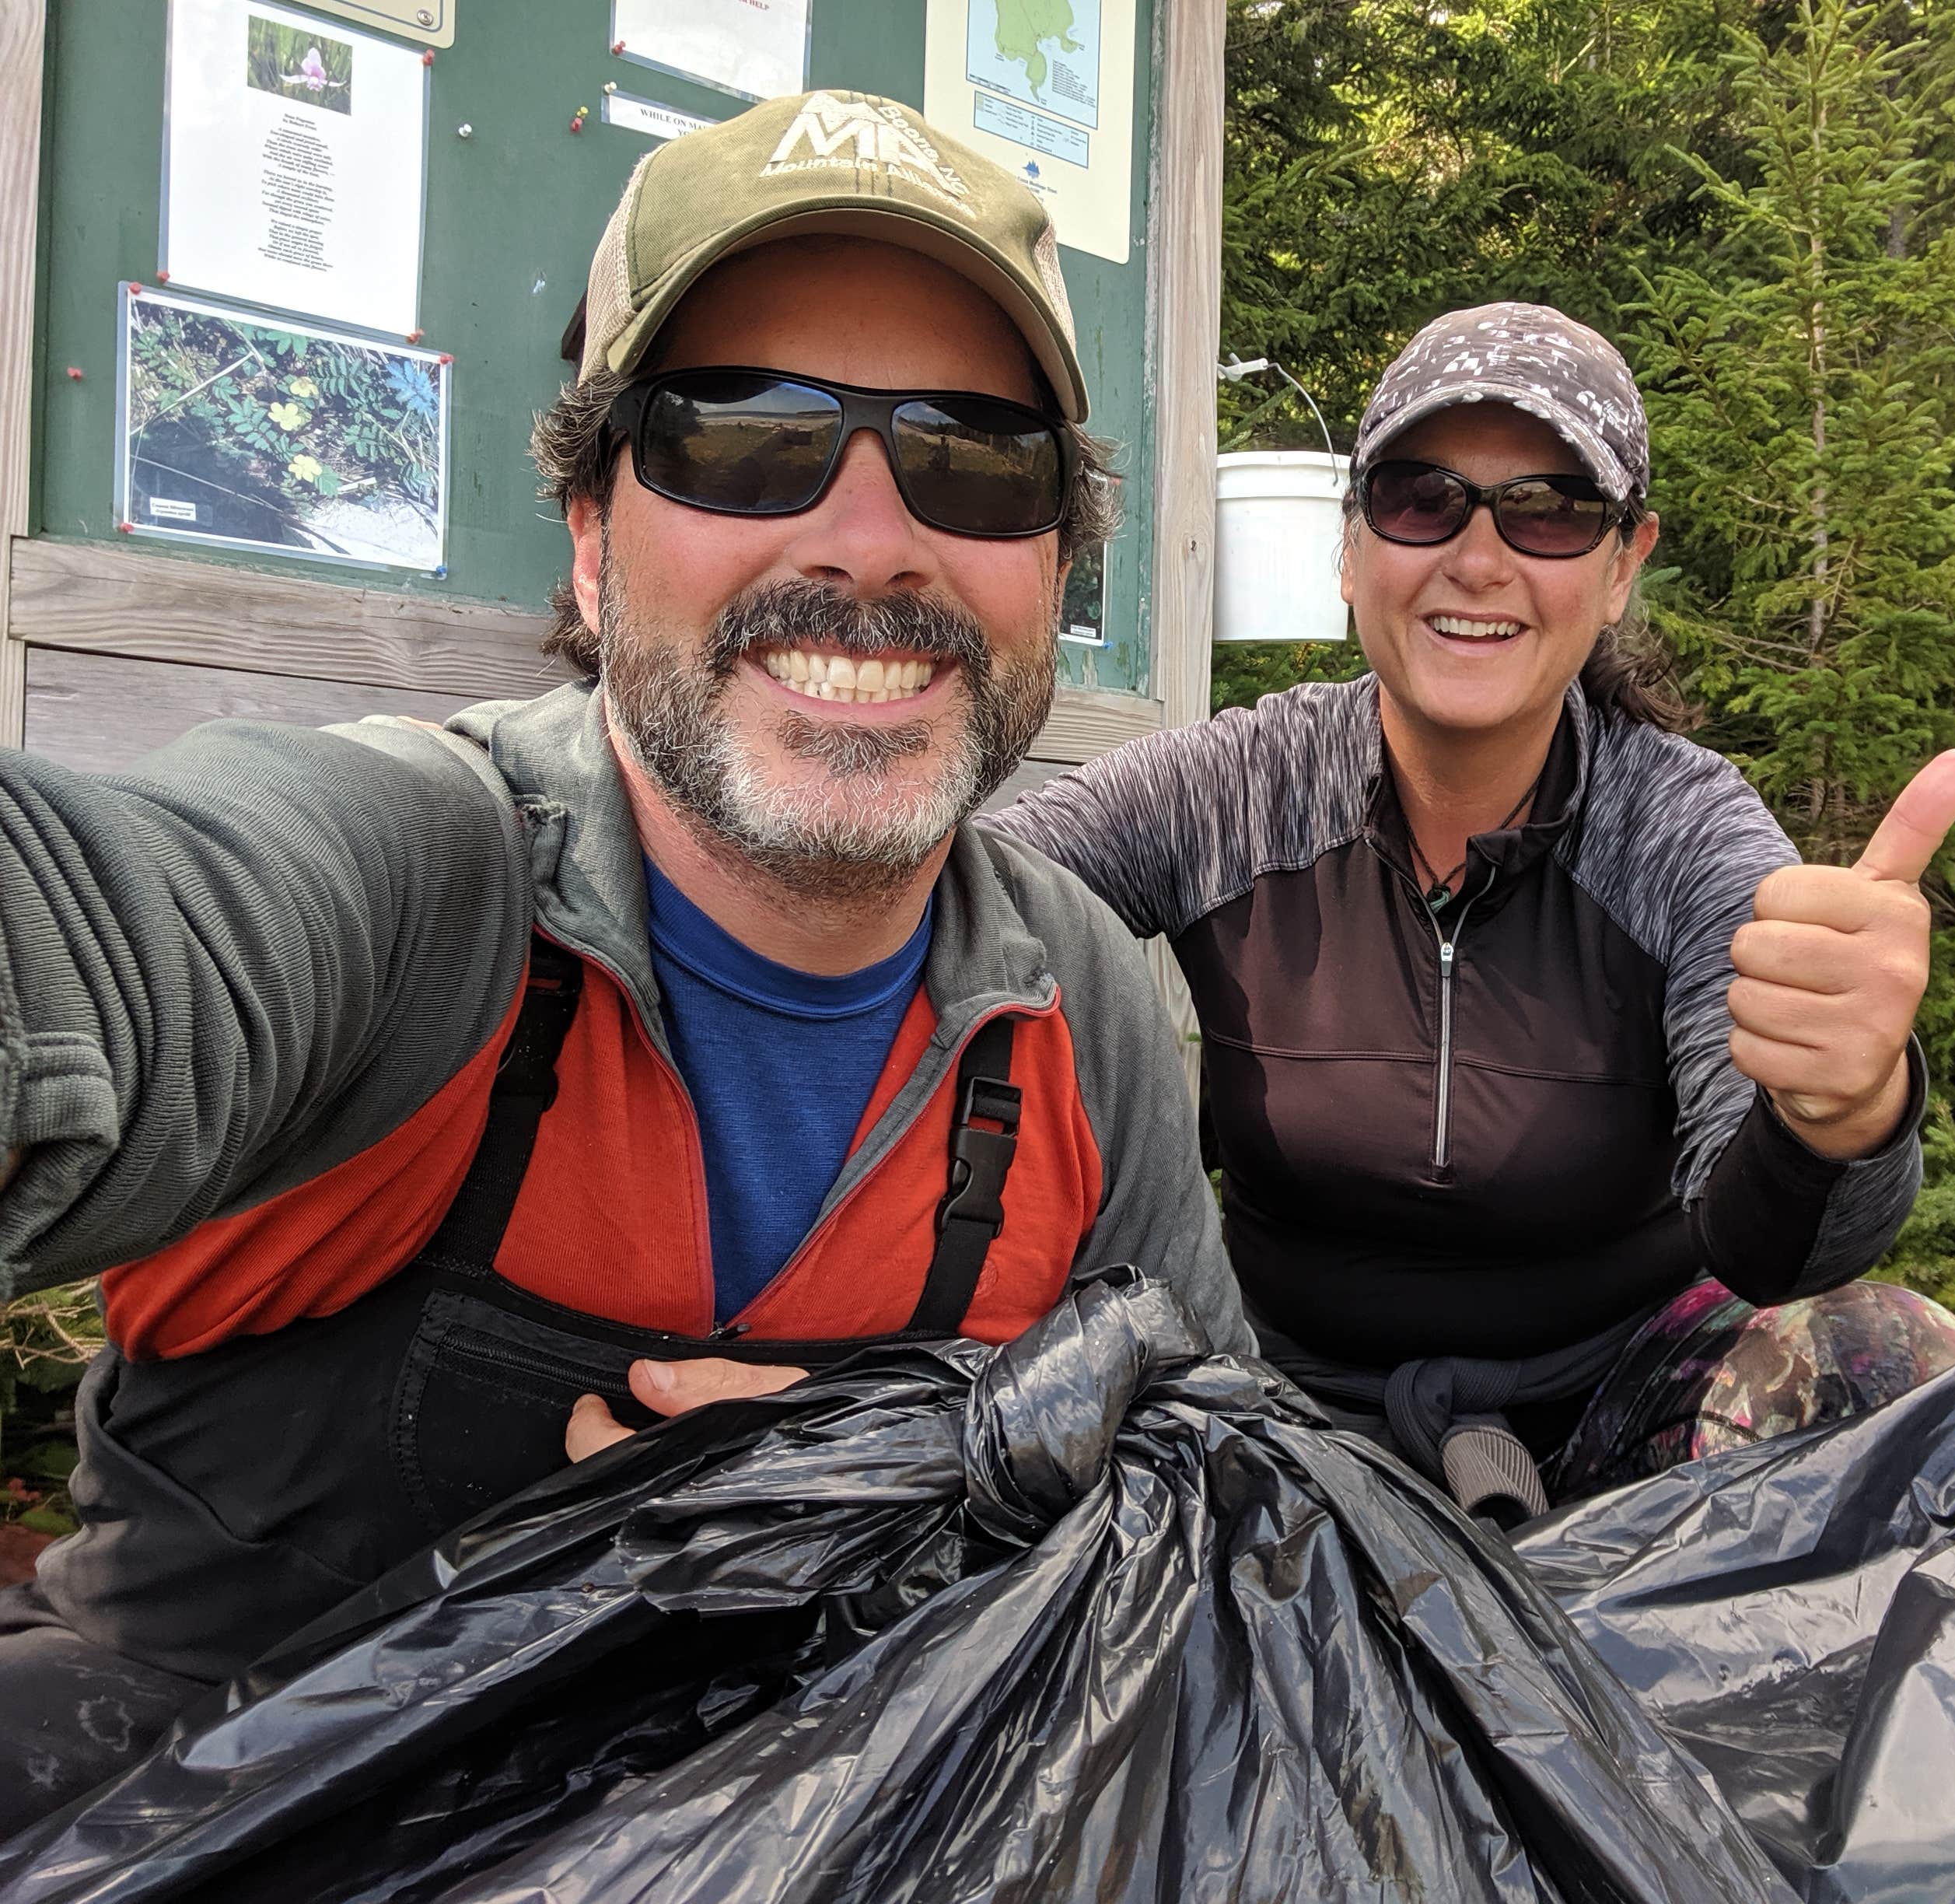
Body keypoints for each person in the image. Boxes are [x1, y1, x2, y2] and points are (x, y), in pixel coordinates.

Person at [0, 90, 1245, 1833]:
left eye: (975, 456)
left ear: (1056, 566)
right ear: (589, 542)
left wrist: (916, 1520)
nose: (871, 542)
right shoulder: (410, 882)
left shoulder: (1083, 1010)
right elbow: (88, 942)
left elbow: (1233, 1552)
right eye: (744, 435)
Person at [985, 303, 1955, 1519]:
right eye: (1422, 498)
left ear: (1622, 566)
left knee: (1894, 1363)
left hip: (1625, 1407)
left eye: (1551, 510)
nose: (1479, 557)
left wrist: (1842, 1113)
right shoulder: (1235, 789)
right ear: (1351, 551)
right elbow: (965, 916)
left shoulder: (1678, 830)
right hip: (1269, 1413)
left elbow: (1783, 1255)